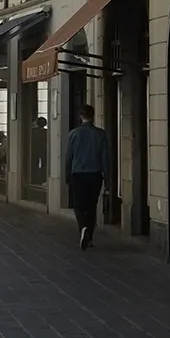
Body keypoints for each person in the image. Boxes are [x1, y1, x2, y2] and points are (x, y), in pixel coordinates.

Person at [66, 104, 111, 250]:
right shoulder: (100, 134)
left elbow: (69, 157)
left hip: (78, 174)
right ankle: (89, 237)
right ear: (93, 116)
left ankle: (83, 227)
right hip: (95, 174)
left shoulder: (73, 134)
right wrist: (108, 177)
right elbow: (105, 158)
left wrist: (67, 175)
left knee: (79, 205)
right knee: (91, 206)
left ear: (80, 116)